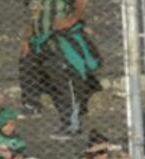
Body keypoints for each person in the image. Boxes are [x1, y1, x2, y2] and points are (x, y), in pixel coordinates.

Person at [19, 0, 102, 140]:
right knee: (28, 66)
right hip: (40, 42)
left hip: (61, 42)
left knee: (66, 82)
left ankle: (72, 125)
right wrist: (26, 39)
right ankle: (32, 105)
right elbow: (33, 17)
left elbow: (80, 2)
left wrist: (71, 19)